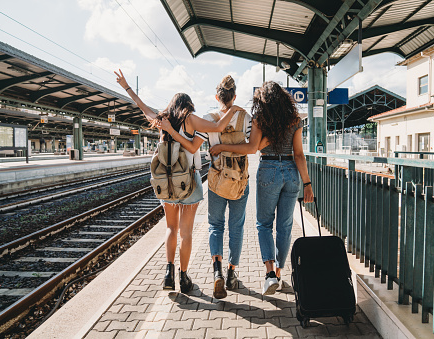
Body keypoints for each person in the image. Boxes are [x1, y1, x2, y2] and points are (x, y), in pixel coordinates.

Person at [114, 69, 239, 293]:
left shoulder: (163, 119)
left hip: (167, 183)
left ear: (172, 106)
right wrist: (234, 110)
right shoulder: (190, 119)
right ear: (188, 106)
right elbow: (218, 128)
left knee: (171, 228)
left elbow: (142, 107)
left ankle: (168, 274)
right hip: (188, 181)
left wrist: (126, 87)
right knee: (186, 232)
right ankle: (184, 277)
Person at [210, 81, 314, 295]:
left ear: (262, 101)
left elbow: (251, 148)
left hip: (269, 171)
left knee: (264, 224)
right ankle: (279, 272)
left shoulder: (260, 120)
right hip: (292, 172)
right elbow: (299, 155)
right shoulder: (295, 120)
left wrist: (221, 147)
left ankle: (269, 275)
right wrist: (307, 184)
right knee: (284, 226)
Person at [158, 75, 251, 299]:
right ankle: (228, 273)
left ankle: (208, 271)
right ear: (234, 96)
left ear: (216, 96)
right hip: (236, 180)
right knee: (233, 227)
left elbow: (195, 144)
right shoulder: (245, 117)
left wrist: (129, 89)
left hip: (209, 181)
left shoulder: (200, 119)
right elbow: (251, 147)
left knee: (213, 226)